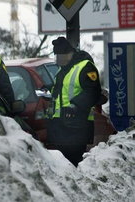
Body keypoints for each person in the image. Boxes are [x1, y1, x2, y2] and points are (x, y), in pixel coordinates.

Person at [47, 37, 102, 166]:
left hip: (76, 125)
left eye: (60, 56)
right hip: (60, 126)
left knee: (73, 162)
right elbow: (63, 92)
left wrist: (76, 105)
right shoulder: (63, 69)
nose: (58, 60)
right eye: (56, 56)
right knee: (63, 163)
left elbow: (93, 92)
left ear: (69, 54)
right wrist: (49, 89)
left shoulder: (85, 67)